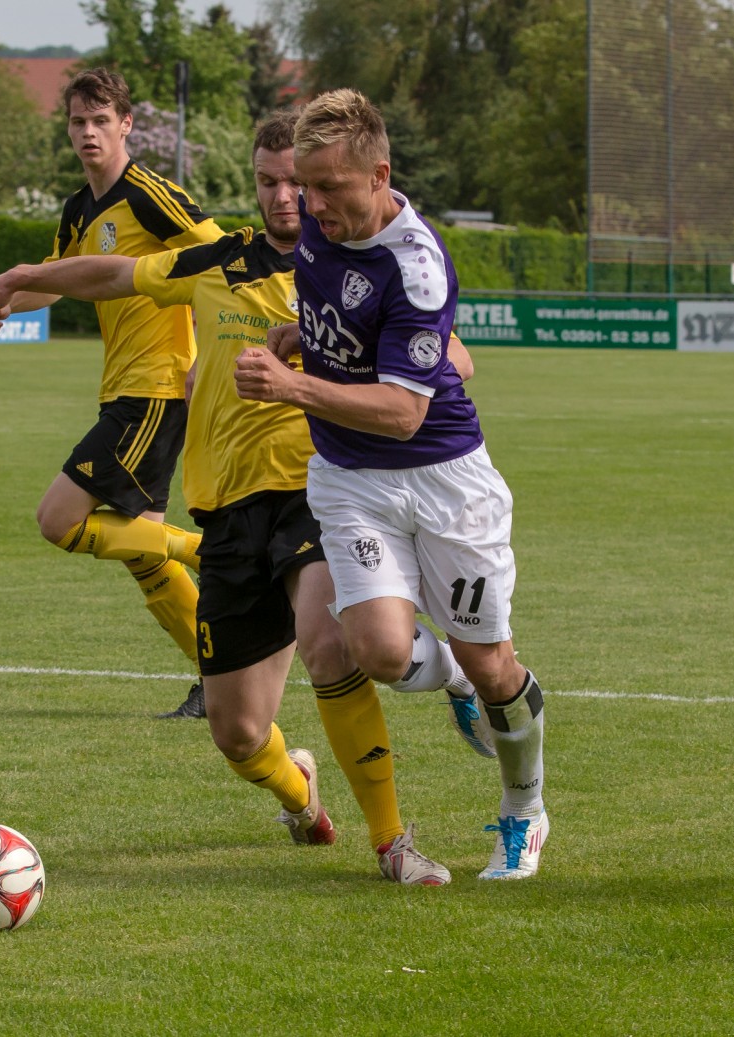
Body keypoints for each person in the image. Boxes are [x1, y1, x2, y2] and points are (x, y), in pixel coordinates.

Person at [0, 110, 455, 884]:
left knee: (328, 642)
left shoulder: (357, 271)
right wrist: (18, 278)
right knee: (235, 732)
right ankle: (301, 797)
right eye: (269, 181)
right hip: (225, 511)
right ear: (254, 182)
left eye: (298, 181)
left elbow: (446, 351)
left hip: (317, 488)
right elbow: (111, 274)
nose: (286, 197)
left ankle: (393, 840)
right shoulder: (216, 259)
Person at [234, 89, 549, 880]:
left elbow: (405, 412)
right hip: (349, 478)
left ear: (379, 175)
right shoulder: (318, 221)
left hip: (443, 479)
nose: (312, 206)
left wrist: (291, 385)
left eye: (332, 189)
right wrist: (302, 338)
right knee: (373, 649)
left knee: (496, 667)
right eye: (305, 187)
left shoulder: (418, 264)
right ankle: (451, 680)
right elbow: (337, 316)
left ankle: (525, 809)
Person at [0, 68, 224, 717]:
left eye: (100, 121)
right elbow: (60, 282)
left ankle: (212, 550)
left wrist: (208, 348)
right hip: (122, 389)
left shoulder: (148, 195)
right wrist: (8, 303)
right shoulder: (79, 208)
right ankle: (216, 674)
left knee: (60, 519)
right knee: (140, 554)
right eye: (78, 122)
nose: (88, 133)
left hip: (156, 389)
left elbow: (221, 259)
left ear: (126, 125)